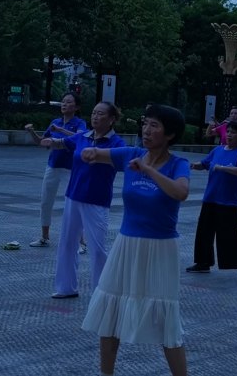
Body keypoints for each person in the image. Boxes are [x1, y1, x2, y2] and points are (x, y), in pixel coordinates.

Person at [81, 104, 189, 376]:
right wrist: (90, 152)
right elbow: (98, 154)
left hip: (161, 248)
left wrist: (149, 171)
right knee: (110, 313)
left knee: (165, 319)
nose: (147, 130)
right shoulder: (131, 154)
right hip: (127, 245)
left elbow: (180, 192)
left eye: (155, 126)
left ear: (170, 135)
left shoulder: (178, 164)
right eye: (146, 123)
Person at [39, 102, 125, 298]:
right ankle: (65, 287)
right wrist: (50, 141)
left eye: (101, 114)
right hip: (73, 195)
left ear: (111, 119)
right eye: (93, 113)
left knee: (97, 248)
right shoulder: (83, 137)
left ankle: (101, 293)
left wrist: (99, 155)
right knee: (67, 242)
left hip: (96, 199)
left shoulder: (116, 143)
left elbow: (121, 161)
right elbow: (64, 143)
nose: (95, 117)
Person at [186, 121, 237, 281]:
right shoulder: (217, 150)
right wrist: (193, 166)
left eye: (233, 132)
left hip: (229, 201)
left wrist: (222, 168)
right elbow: (205, 164)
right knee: (204, 232)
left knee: (232, 236)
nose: (229, 135)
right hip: (211, 197)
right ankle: (203, 263)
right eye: (228, 131)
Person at [24, 92, 86, 248]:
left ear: (76, 107)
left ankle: (80, 241)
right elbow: (42, 142)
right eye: (63, 101)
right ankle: (44, 237)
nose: (64, 104)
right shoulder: (55, 122)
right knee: (46, 202)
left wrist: (61, 130)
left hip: (70, 169)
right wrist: (32, 131)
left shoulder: (80, 123)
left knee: (72, 205)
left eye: (69, 102)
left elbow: (80, 138)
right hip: (52, 167)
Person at [206, 106, 237, 225]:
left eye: (236, 113)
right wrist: (211, 125)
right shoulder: (224, 125)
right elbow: (209, 134)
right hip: (222, 154)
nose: (234, 115)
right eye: (232, 113)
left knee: (236, 187)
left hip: (234, 157)